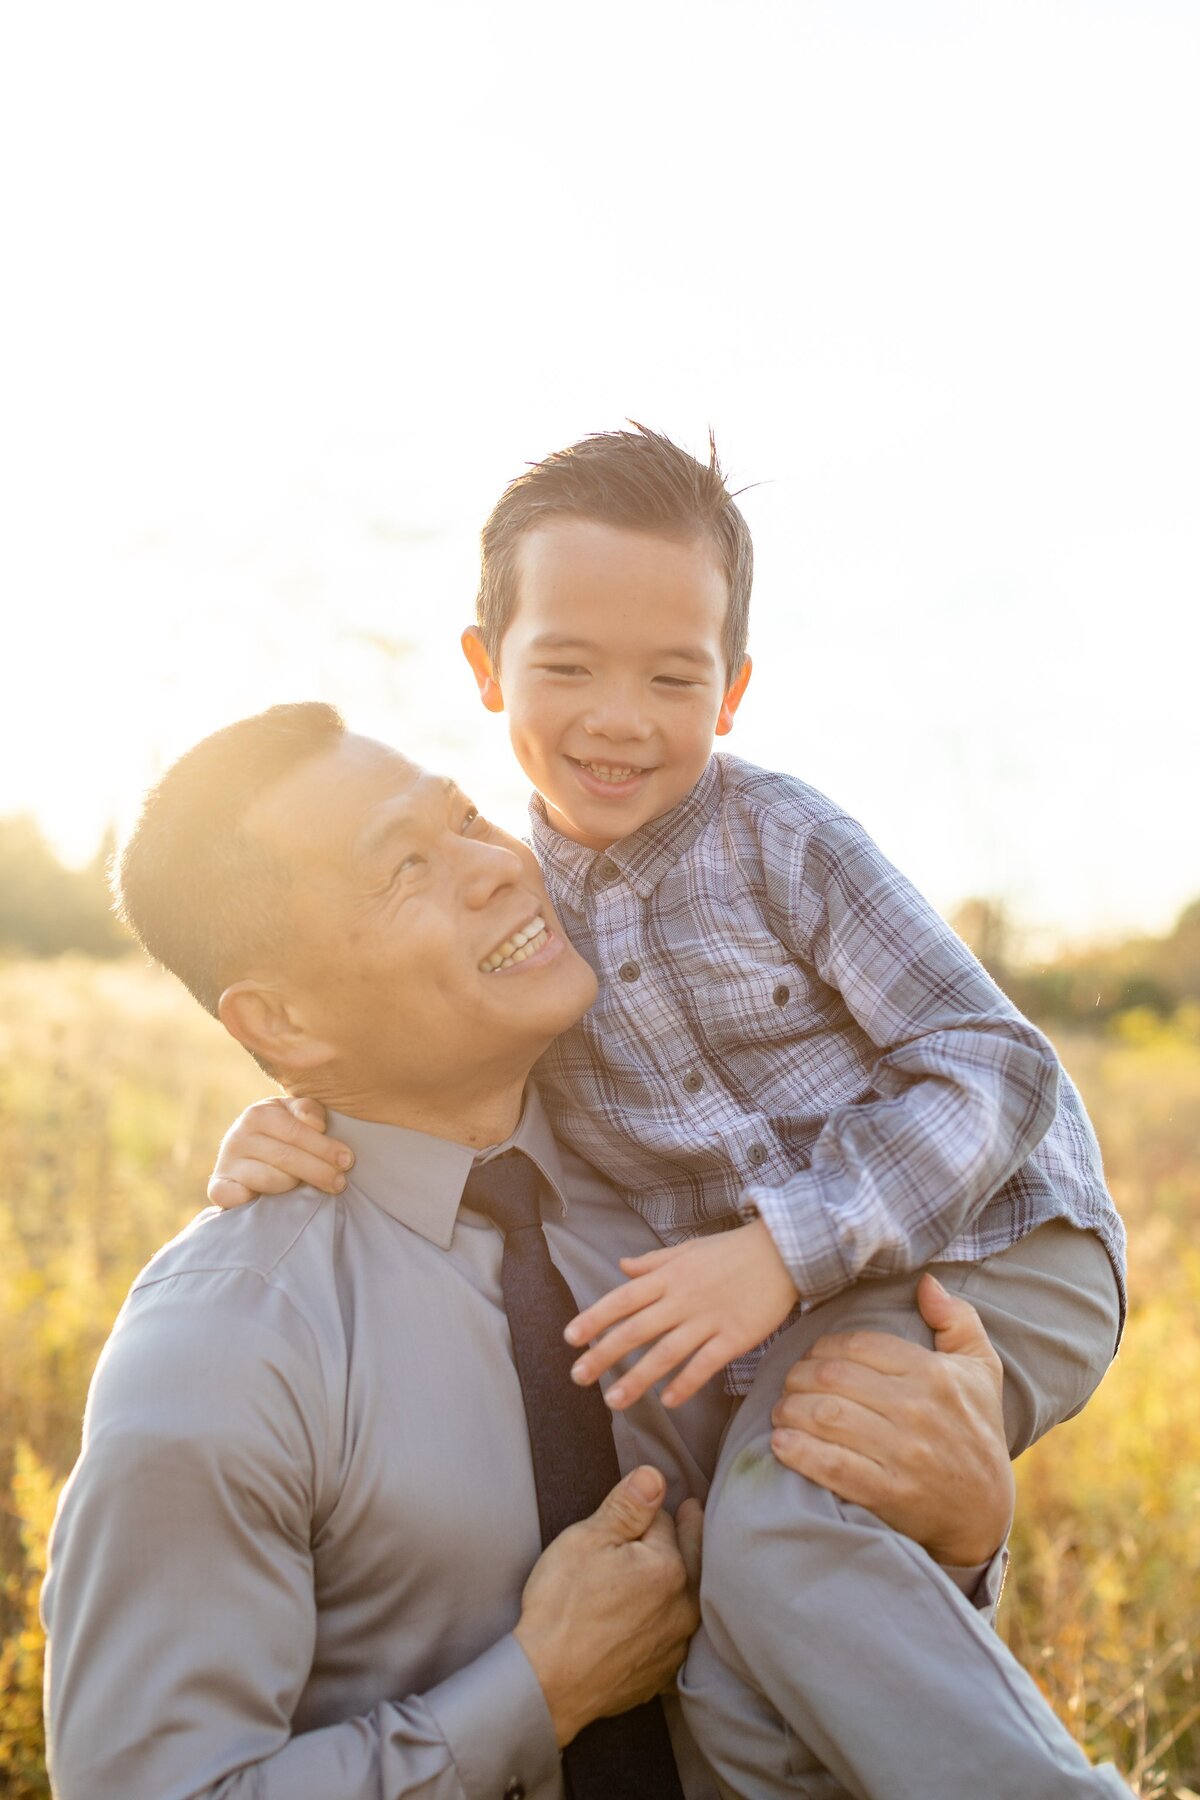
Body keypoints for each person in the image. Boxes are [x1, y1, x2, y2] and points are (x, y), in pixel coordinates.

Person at [210, 428, 1129, 1798]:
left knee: (781, 1526)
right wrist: (287, 1123)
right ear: (483, 668)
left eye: (673, 676)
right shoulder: (517, 912)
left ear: (736, 690)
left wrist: (782, 1252)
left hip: (997, 1244)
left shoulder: (786, 843)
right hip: (820, 1308)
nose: (620, 719)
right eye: (567, 666)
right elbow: (429, 1079)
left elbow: (1002, 1067)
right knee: (726, 1687)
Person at [42, 705, 1020, 1800]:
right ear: (282, 1026)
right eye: (407, 866)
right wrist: (535, 1695)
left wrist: (963, 1544)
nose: (497, 867)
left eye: (464, 815)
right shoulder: (228, 1341)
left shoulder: (716, 1212)